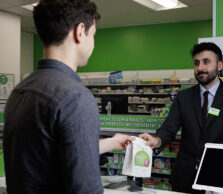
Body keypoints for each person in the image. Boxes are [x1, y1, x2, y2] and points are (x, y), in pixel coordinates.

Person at [3, 0, 134, 193]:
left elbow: (48, 153)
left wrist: (112, 142)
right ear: (80, 31)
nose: (93, 42)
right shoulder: (75, 97)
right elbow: (85, 188)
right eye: (93, 35)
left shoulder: (20, 91)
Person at [140, 42, 223, 193]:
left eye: (206, 62)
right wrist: (156, 141)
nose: (200, 68)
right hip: (184, 177)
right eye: (196, 63)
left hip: (218, 177)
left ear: (219, 65)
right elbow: (169, 128)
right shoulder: (183, 97)